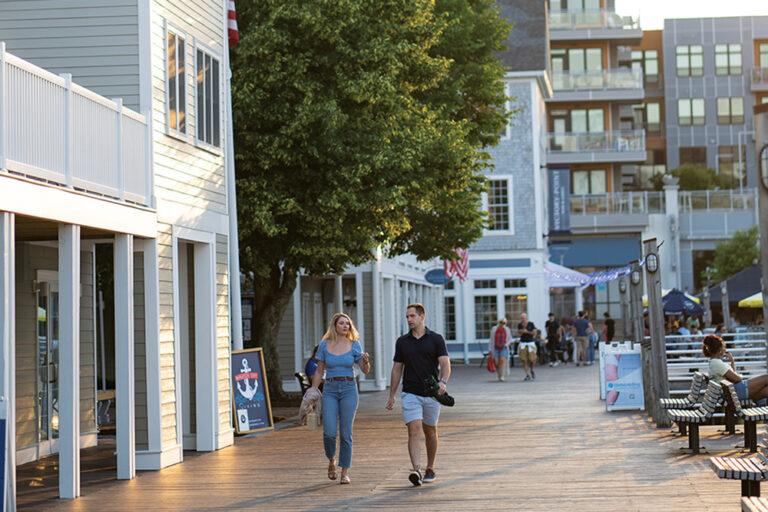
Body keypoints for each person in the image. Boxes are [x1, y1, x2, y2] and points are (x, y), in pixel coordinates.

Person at [386, 303, 450, 486]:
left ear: (422, 316)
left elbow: (445, 364)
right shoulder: (402, 342)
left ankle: (430, 467)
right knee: (413, 430)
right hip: (410, 392)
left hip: (431, 393)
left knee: (430, 431)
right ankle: (416, 469)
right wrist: (392, 395)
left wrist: (443, 382)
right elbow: (397, 369)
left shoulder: (436, 339)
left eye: (412, 316)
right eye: (407, 317)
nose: (408, 320)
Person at [310, 313, 370, 485]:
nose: (345, 326)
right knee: (329, 432)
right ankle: (331, 460)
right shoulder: (324, 344)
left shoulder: (354, 344)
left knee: (346, 433)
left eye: (348, 324)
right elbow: (319, 370)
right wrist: (313, 392)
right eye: (342, 323)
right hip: (329, 389)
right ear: (334, 326)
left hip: (349, 389)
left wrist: (365, 361)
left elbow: (365, 370)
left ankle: (345, 471)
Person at [702, 334, 768, 405]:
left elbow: (732, 375)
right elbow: (736, 379)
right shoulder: (715, 362)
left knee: (766, 390)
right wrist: (741, 377)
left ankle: (763, 407)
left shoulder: (715, 361)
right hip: (733, 392)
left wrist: (732, 361)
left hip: (732, 391)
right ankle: (761, 405)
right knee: (766, 377)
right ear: (720, 349)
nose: (725, 350)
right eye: (724, 347)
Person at [517, 313, 537, 380]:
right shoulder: (520, 325)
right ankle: (527, 374)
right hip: (523, 343)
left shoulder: (531, 324)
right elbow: (519, 334)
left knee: (532, 359)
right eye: (521, 318)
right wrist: (523, 329)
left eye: (524, 318)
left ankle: (532, 370)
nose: (523, 319)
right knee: (524, 360)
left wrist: (527, 332)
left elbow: (534, 333)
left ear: (526, 318)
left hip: (530, 343)